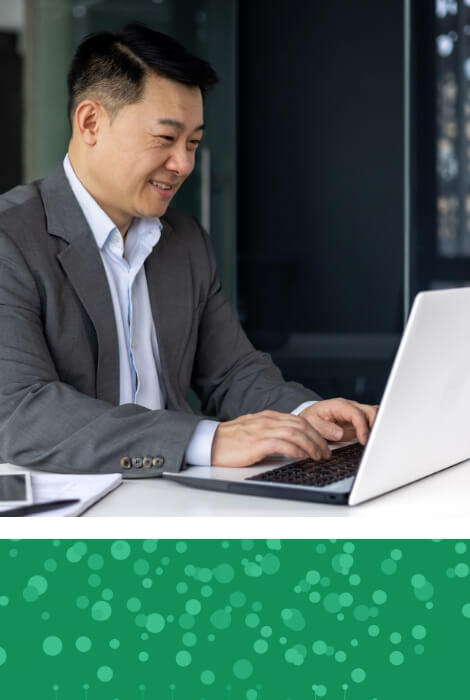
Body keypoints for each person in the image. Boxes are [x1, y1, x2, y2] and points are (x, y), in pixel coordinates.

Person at [0, 25, 376, 478]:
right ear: (90, 123)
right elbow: (20, 413)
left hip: (175, 494)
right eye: (165, 139)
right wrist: (208, 439)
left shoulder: (185, 240)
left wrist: (304, 414)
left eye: (193, 143)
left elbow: (232, 371)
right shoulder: (11, 238)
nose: (184, 164)